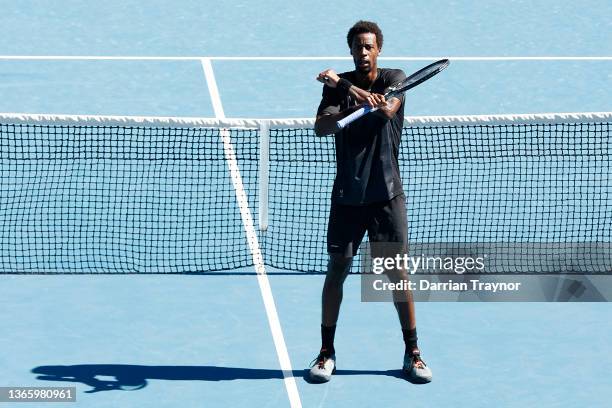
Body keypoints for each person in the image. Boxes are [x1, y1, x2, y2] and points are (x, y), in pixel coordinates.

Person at [308, 20, 432, 384]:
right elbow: (322, 127)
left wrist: (348, 89)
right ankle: (326, 352)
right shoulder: (335, 91)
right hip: (348, 196)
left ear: (378, 50)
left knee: (397, 274)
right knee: (337, 271)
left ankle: (413, 354)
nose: (363, 53)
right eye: (357, 47)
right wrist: (349, 92)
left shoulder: (395, 78)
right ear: (350, 51)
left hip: (386, 197)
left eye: (369, 47)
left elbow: (388, 110)